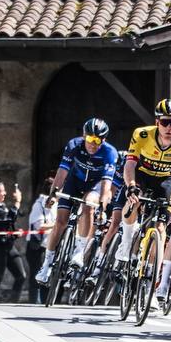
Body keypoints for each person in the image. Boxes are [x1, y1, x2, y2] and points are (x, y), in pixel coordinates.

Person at [115, 98, 171, 308]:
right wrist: (131, 186)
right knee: (133, 201)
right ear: (157, 121)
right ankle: (126, 243)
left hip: (165, 179)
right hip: (142, 175)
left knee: (161, 230)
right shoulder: (142, 134)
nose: (169, 127)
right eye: (165, 122)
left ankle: (150, 283)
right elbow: (130, 164)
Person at [35, 118, 116, 288]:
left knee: (88, 204)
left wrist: (102, 206)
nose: (92, 144)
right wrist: (53, 194)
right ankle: (46, 265)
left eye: (97, 141)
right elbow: (62, 171)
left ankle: (79, 252)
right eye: (89, 139)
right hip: (74, 182)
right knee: (60, 222)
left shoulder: (109, 152)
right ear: (83, 136)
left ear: (104, 140)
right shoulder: (73, 145)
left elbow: (107, 185)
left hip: (95, 185)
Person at [0, 180, 27, 303]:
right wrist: (18, 201)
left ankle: (13, 302)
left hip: (9, 245)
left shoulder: (2, 206)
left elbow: (7, 224)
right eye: (2, 191)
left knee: (21, 276)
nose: (5, 193)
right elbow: (8, 218)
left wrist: (15, 233)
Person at [27, 178, 56, 302]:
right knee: (36, 274)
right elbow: (39, 226)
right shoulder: (38, 205)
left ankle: (44, 301)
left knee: (46, 276)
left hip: (48, 246)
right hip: (37, 248)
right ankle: (34, 301)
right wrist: (56, 225)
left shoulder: (55, 205)